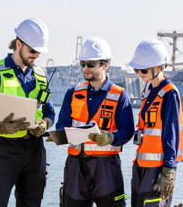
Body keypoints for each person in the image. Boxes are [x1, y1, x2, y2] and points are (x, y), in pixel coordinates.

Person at [0, 18, 55, 207]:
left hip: (35, 150)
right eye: (33, 50)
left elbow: (50, 112)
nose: (36, 55)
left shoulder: (41, 75)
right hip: (5, 150)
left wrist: (45, 124)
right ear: (18, 44)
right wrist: (0, 128)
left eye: (39, 52)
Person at [55, 37, 134, 207]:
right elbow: (61, 124)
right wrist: (65, 133)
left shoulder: (120, 96)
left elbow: (127, 130)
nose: (85, 68)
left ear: (105, 65)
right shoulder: (72, 93)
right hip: (75, 165)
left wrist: (111, 138)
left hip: (106, 167)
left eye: (90, 64)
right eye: (83, 63)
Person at [129, 39, 183, 207]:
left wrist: (168, 170)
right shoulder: (149, 93)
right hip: (141, 167)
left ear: (159, 66)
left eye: (143, 69)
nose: (139, 73)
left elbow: (171, 134)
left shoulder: (169, 94)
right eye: (136, 69)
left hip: (158, 169)